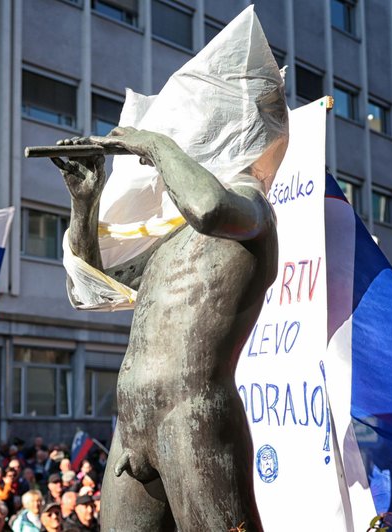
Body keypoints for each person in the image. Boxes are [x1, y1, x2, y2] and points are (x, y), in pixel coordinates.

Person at [51, 112, 284, 528]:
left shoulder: (254, 212)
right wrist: (84, 204)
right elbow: (88, 288)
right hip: (132, 424)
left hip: (192, 416)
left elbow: (208, 207)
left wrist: (155, 145)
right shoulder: (171, 239)